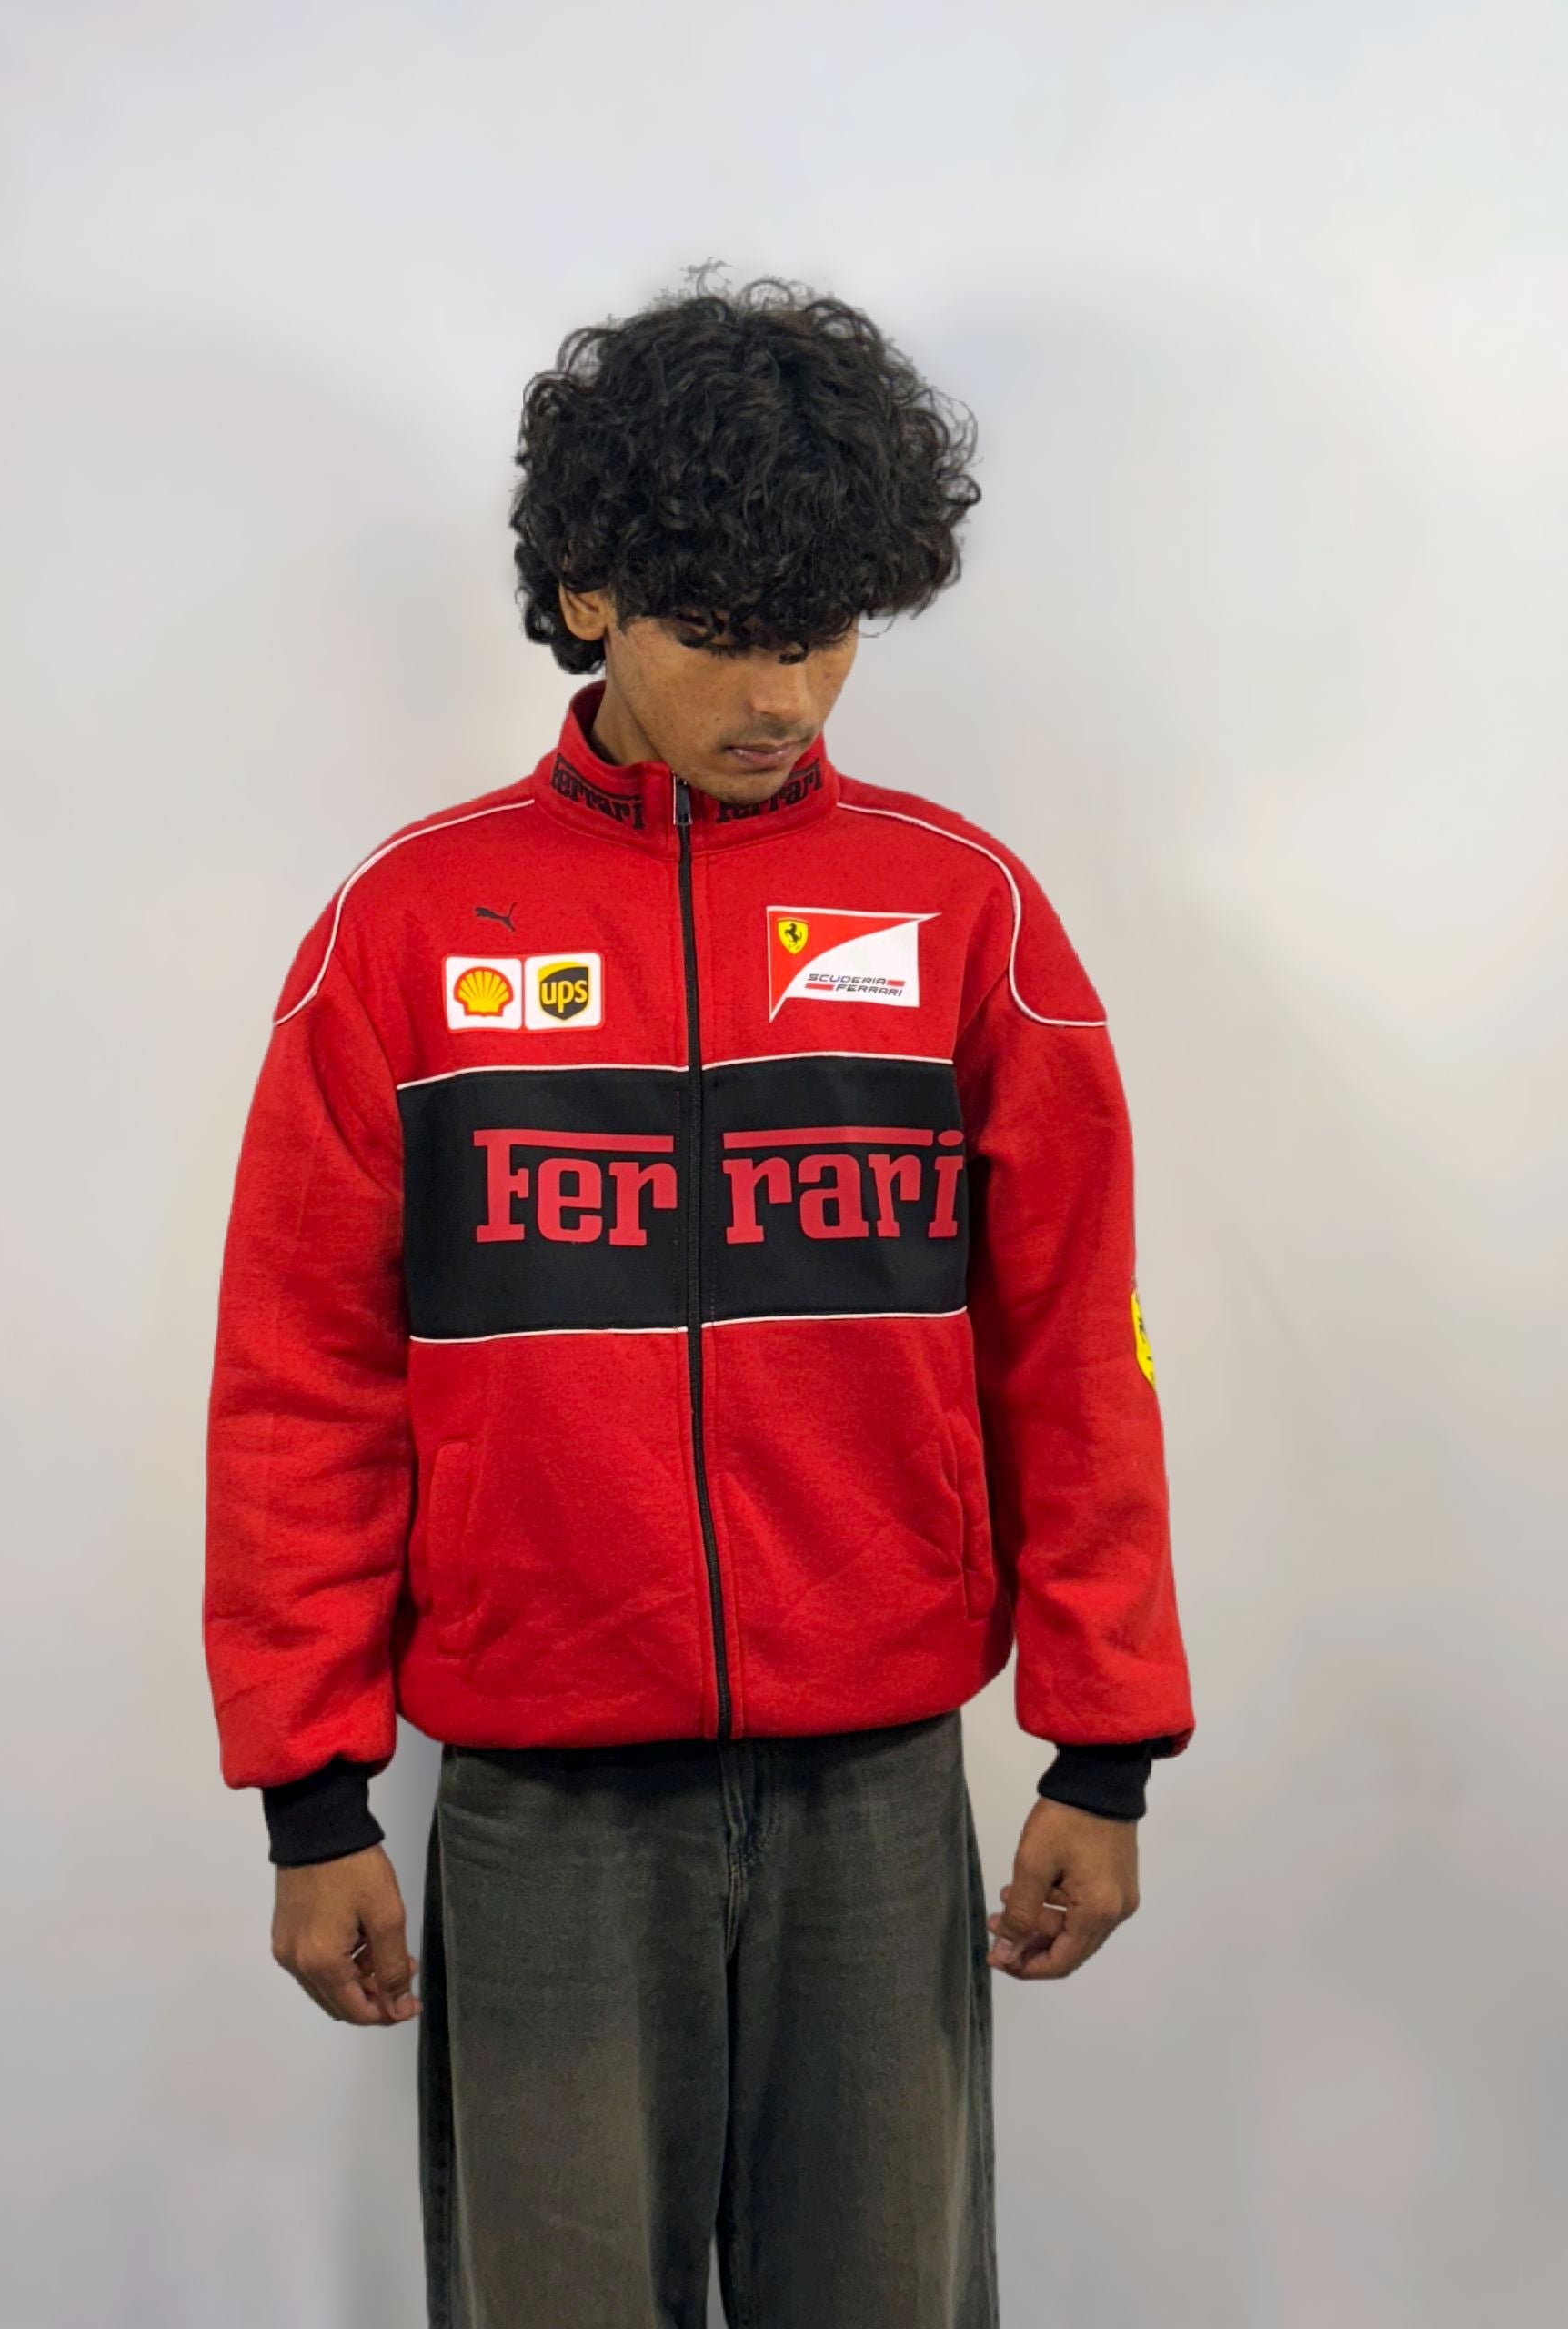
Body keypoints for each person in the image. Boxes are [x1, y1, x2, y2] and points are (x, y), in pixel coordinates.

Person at [202, 264, 1195, 2328]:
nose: (783, 698)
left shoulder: (964, 915)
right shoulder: (406, 932)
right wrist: (310, 1791)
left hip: (876, 1793)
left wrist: (1102, 1743)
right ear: (588, 594)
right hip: (542, 1804)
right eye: (721, 635)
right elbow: (301, 1379)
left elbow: (1074, 1349)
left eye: (822, 635)